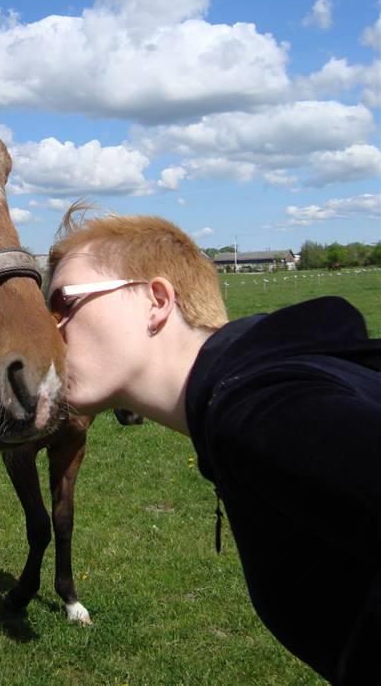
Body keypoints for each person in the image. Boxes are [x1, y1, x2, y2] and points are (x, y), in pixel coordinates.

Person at [47, 209, 381, 685]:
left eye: (63, 304)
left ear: (156, 301)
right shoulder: (254, 391)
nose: (48, 332)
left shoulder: (260, 408)